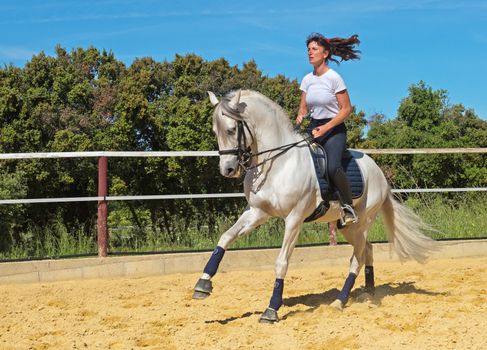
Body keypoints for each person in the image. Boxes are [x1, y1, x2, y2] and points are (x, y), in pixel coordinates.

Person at [296, 32, 360, 226]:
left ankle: (348, 207)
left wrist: (325, 128)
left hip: (334, 128)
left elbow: (347, 109)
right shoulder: (307, 79)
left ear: (325, 54)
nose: (310, 52)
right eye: (308, 49)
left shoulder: (334, 78)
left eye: (314, 49)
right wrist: (300, 117)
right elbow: (304, 108)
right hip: (314, 126)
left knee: (332, 166)